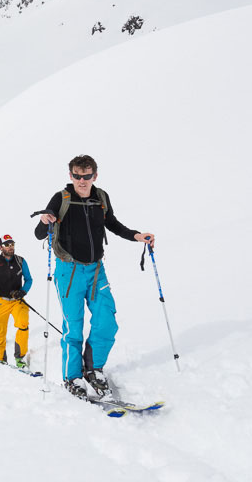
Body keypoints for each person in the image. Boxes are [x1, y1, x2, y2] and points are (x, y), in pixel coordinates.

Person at [34, 154, 154, 399]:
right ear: (70, 176)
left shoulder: (101, 197)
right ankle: (72, 377)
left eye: (86, 176)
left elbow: (113, 224)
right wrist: (45, 220)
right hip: (69, 271)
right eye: (77, 176)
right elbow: (39, 233)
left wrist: (136, 236)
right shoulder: (61, 198)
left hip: (96, 270)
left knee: (106, 320)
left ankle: (93, 368)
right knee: (74, 326)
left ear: (94, 176)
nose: (82, 180)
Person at [0, 234, 33, 367]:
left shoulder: (20, 261)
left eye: (12, 244)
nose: (10, 247)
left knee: (23, 323)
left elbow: (29, 279)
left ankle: (20, 358)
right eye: (7, 245)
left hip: (16, 300)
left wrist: (23, 291)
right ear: (1, 247)